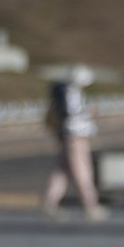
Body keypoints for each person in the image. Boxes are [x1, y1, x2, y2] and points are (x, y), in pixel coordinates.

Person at [42, 67, 108, 221]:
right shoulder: (72, 93)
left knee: (61, 172)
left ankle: (49, 204)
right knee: (82, 171)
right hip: (76, 136)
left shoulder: (66, 91)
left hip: (70, 136)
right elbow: (73, 112)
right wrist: (89, 111)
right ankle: (90, 205)